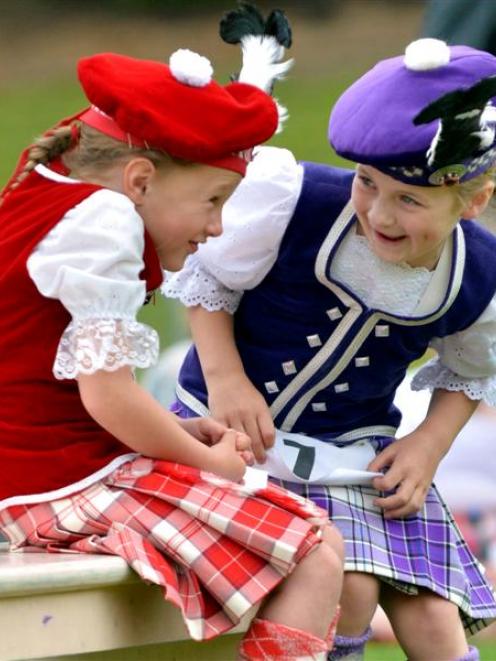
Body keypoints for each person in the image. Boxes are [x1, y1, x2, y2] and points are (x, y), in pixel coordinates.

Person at [0, 24, 345, 660]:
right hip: (57, 485)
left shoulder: (47, 193)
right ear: (139, 180)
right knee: (313, 547)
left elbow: (77, 390)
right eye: (214, 200)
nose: (217, 227)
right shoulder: (104, 223)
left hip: (41, 472)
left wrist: (188, 437)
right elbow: (108, 398)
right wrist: (209, 462)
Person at [165, 36, 496, 661]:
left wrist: (427, 446)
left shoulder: (479, 274)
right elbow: (209, 280)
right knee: (355, 586)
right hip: (226, 431)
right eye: (368, 184)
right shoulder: (298, 203)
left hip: (350, 452)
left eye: (410, 200)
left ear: (472, 203)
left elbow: (469, 369)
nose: (380, 213)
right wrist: (227, 378)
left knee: (431, 609)